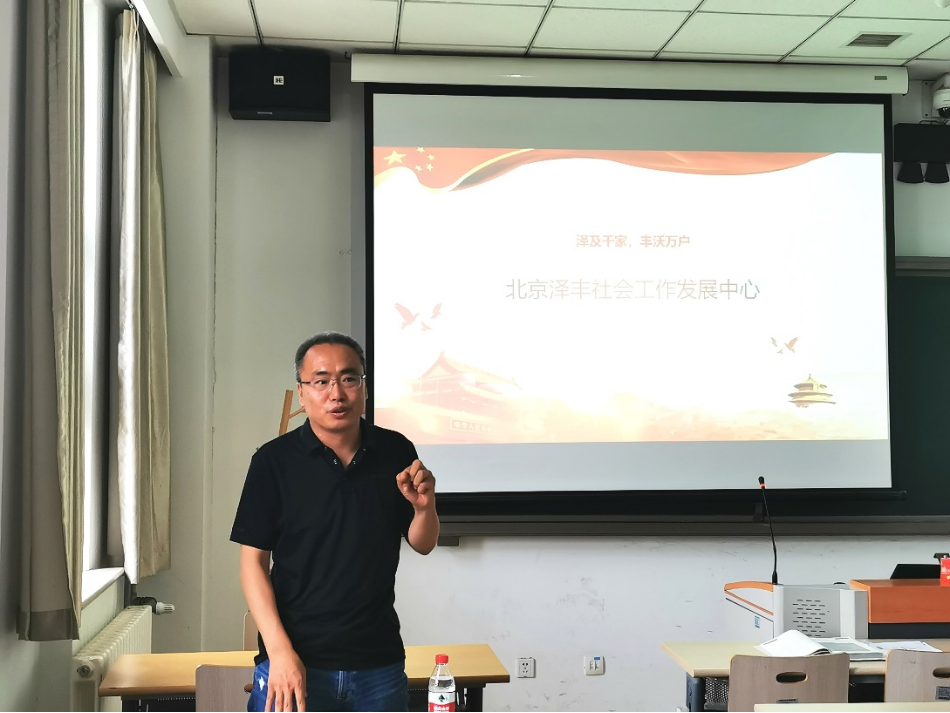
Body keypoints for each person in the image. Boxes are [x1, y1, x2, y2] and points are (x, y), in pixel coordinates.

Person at [230, 331, 440, 712]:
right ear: (302, 391)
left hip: (378, 663)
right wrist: (279, 653)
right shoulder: (273, 462)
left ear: (364, 387)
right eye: (322, 381)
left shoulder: (395, 450)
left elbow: (422, 543)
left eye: (348, 379)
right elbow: (252, 565)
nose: (336, 393)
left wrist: (425, 509)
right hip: (295, 662)